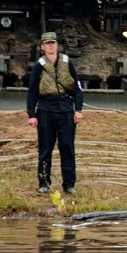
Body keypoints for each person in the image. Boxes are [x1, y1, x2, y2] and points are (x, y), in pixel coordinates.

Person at [27, 31, 84, 194]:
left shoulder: (67, 62)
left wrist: (78, 110)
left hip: (66, 108)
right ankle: (44, 182)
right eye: (47, 43)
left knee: (67, 147)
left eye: (53, 43)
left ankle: (69, 184)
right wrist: (31, 114)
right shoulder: (39, 65)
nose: (50, 45)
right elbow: (32, 91)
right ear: (42, 46)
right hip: (45, 110)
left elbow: (77, 88)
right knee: (45, 149)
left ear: (57, 45)